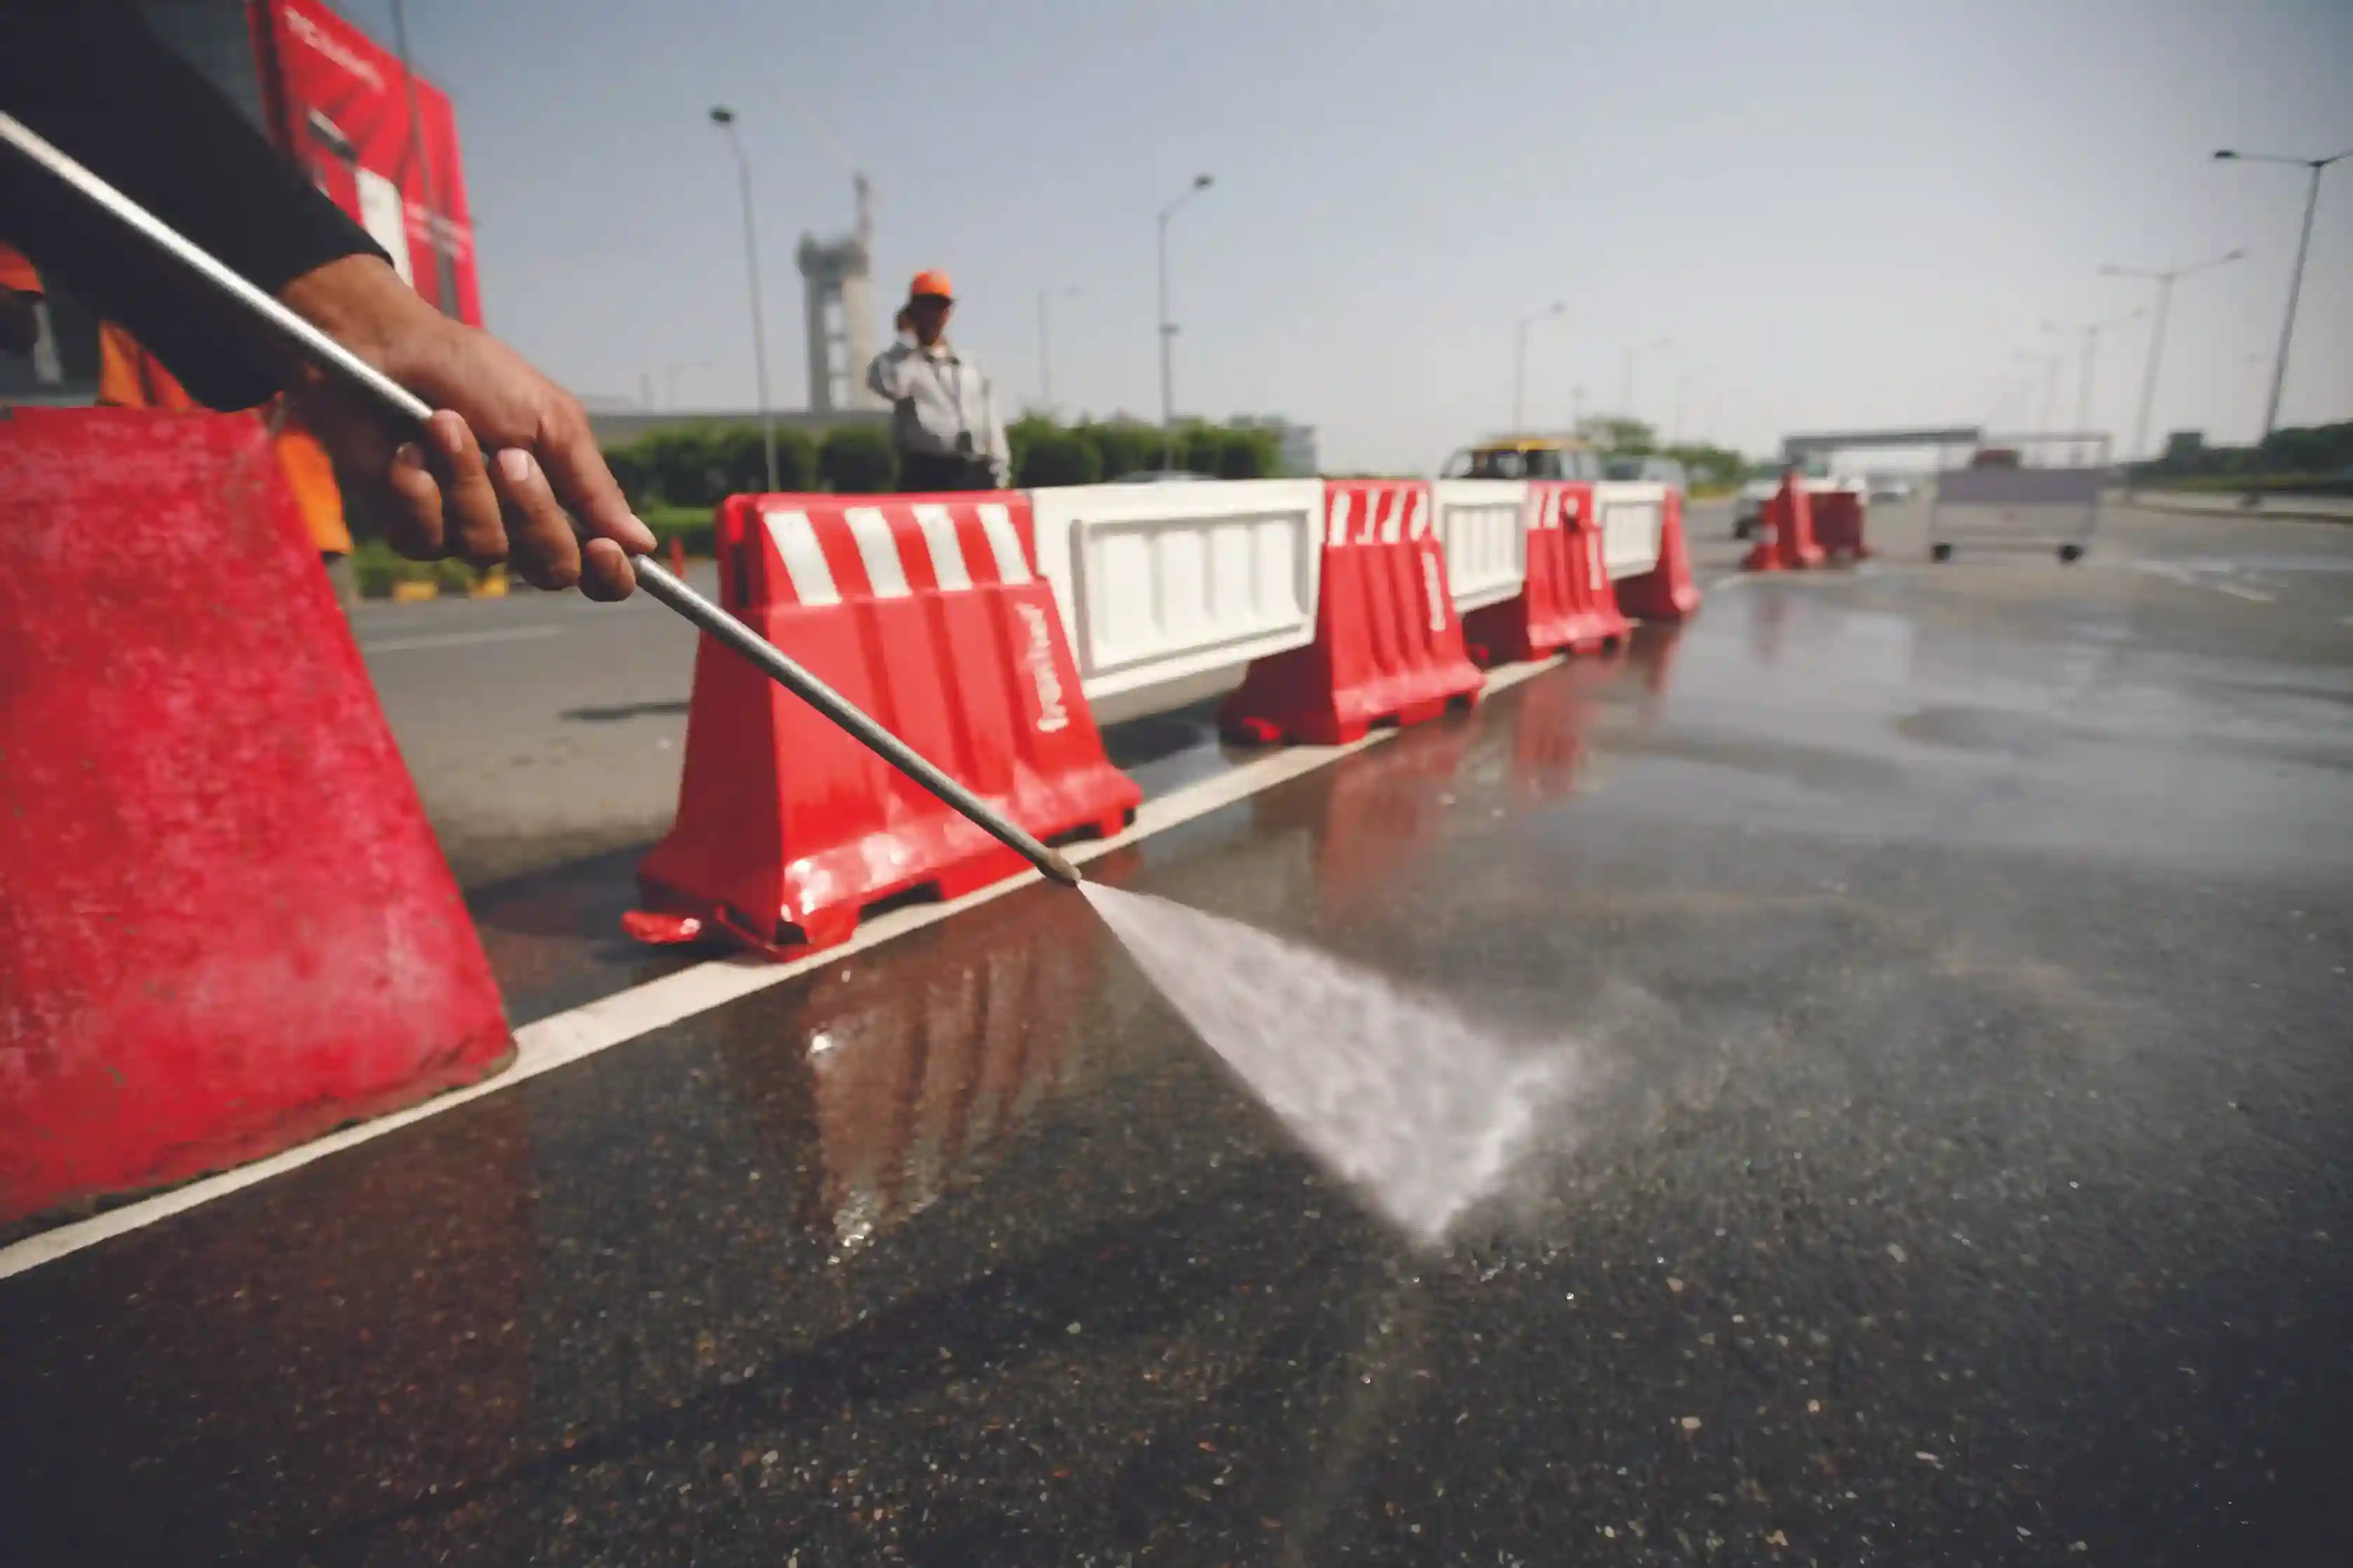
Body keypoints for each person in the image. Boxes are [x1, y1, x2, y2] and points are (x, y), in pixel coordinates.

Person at [0, 0, 653, 599]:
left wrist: (365, 319)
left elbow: (47, 48)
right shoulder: (141, 320)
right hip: (193, 541)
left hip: (280, 528)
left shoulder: (203, 326)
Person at [865, 269, 1010, 492]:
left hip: (974, 472)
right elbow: (891, 386)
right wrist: (907, 339)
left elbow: (991, 422)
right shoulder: (900, 362)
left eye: (939, 306)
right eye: (926, 306)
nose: (932, 314)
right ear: (912, 311)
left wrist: (999, 473)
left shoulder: (970, 366)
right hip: (925, 474)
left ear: (948, 312)